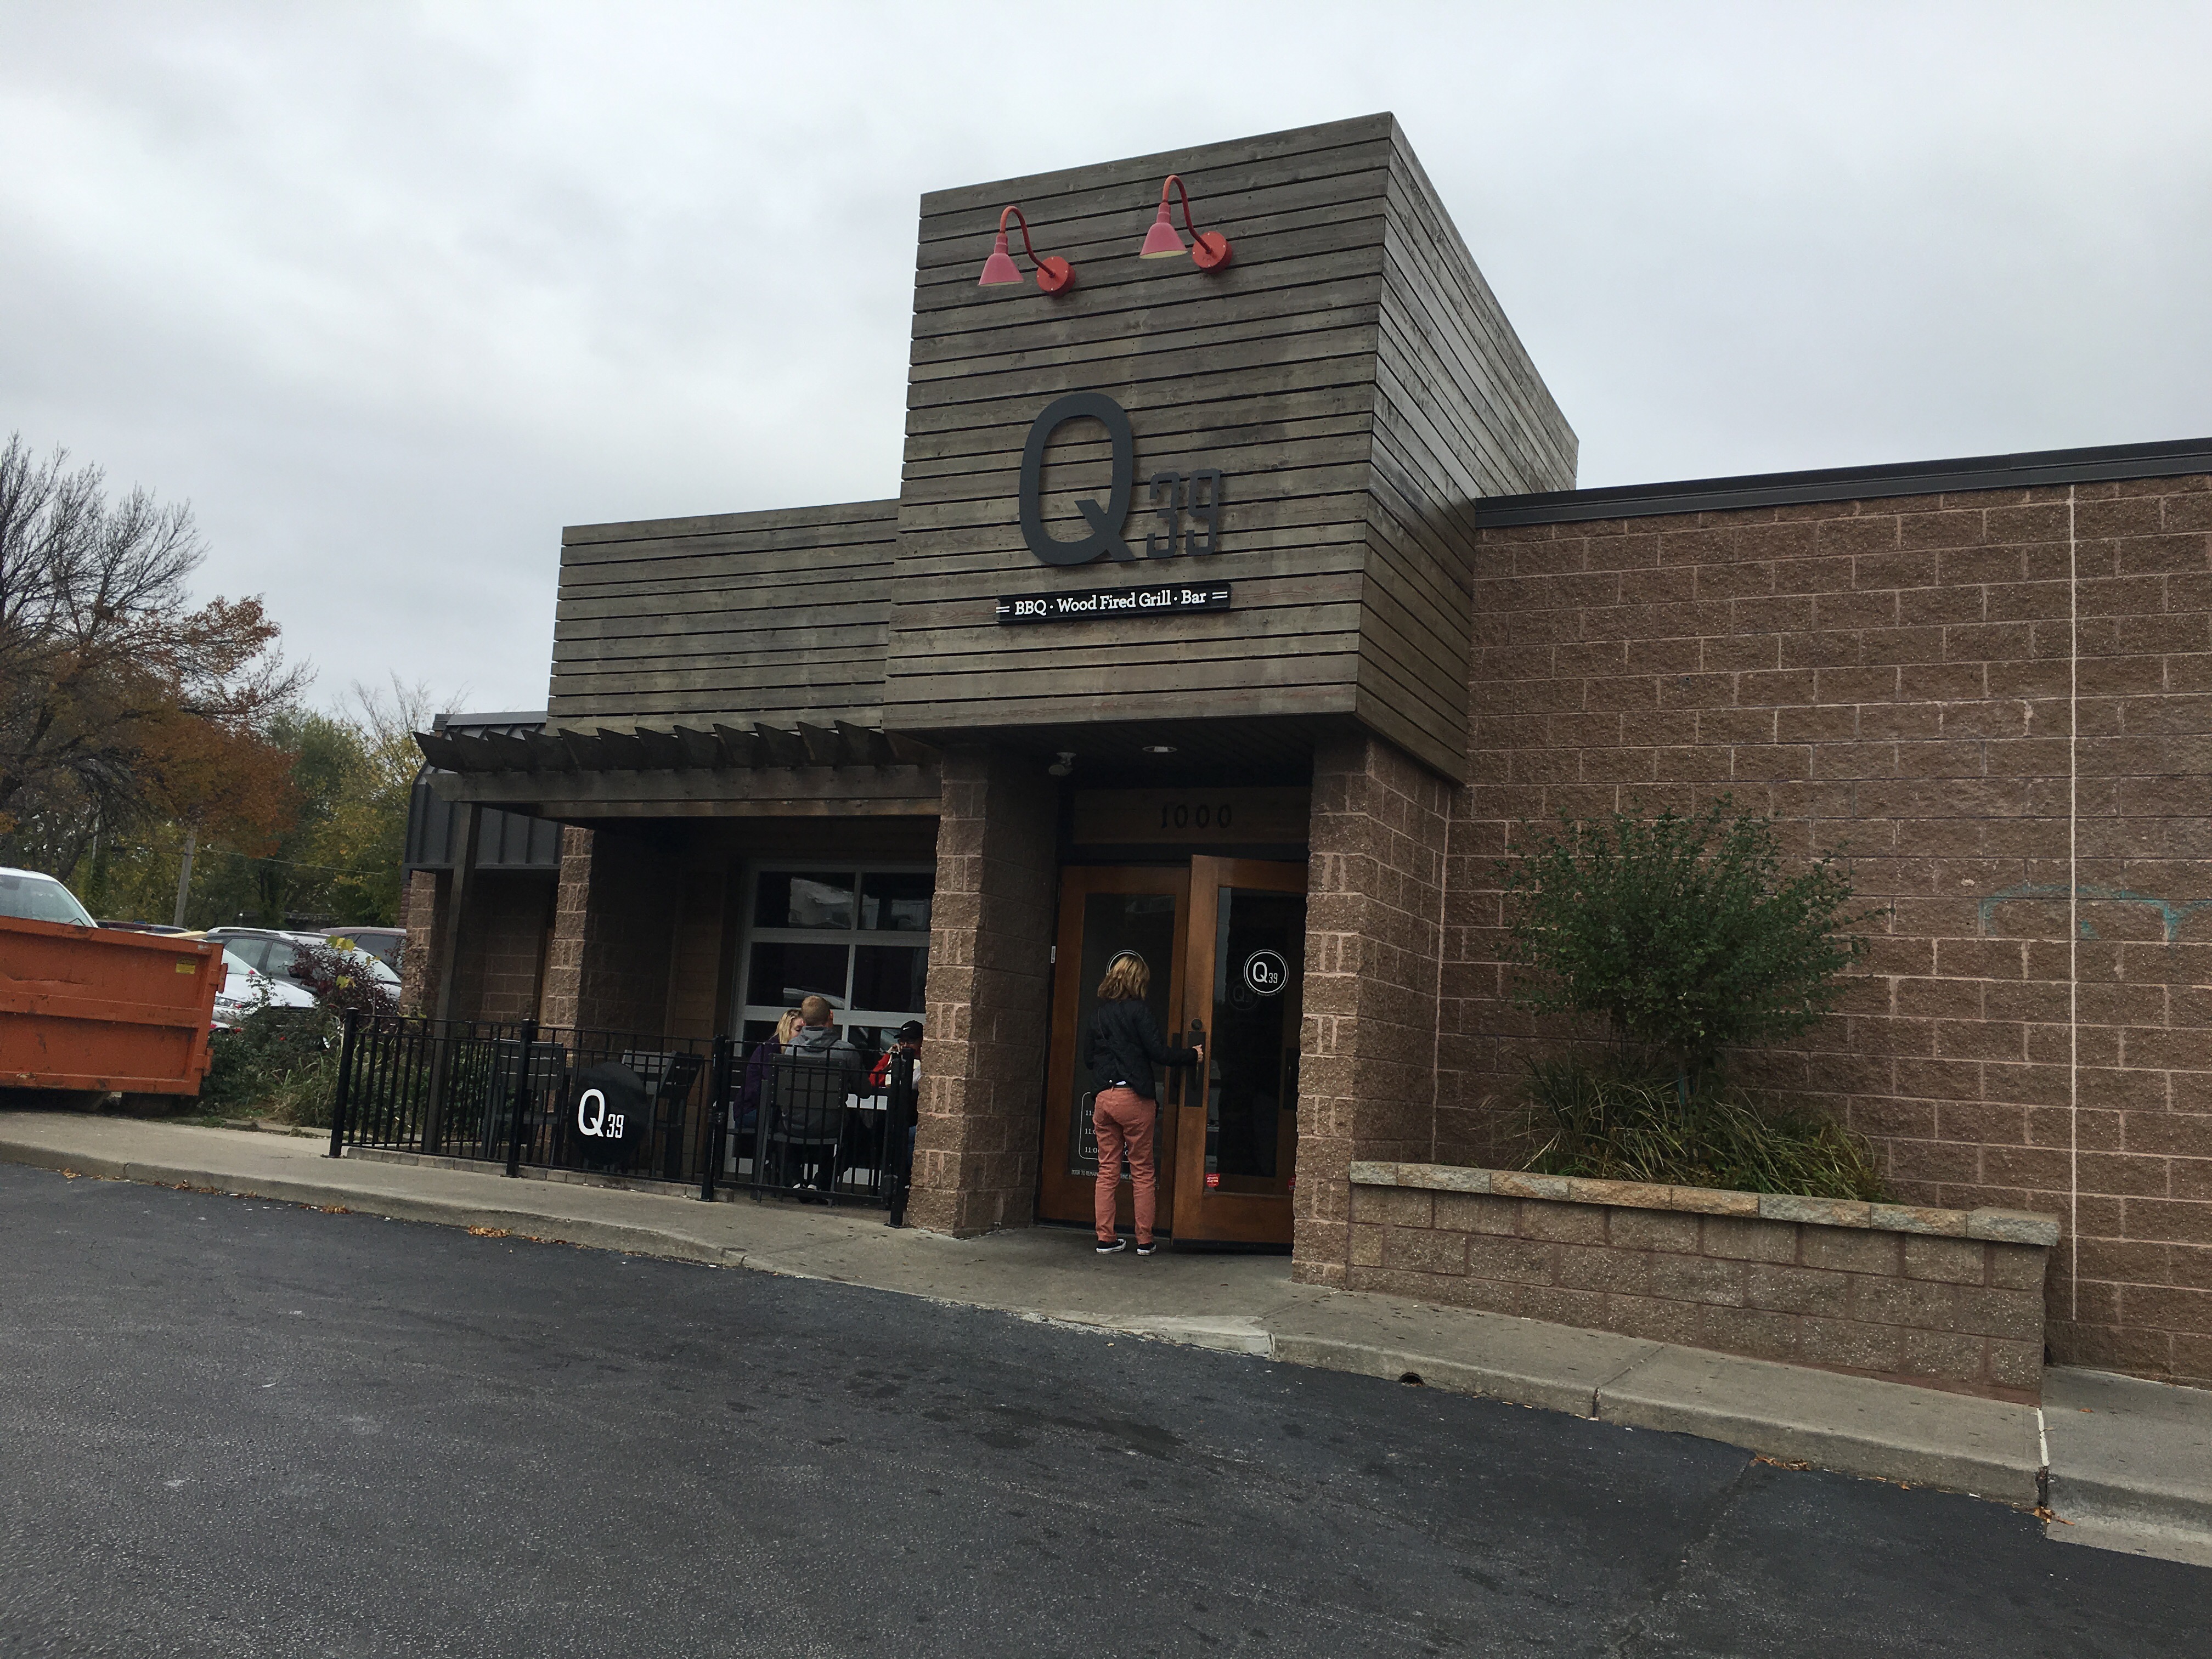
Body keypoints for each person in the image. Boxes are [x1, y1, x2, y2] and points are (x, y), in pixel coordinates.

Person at [1080, 952, 1200, 1256]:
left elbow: (1088, 1059)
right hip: (1133, 1098)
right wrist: (1192, 1055)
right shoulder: (1140, 1012)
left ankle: (1105, 1238)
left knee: (1107, 1170)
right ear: (1139, 981)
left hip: (1104, 1099)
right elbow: (1159, 1053)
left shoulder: (1098, 1015)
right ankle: (1145, 1241)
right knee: (1142, 1170)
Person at [737, 1008, 802, 1143]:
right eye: (798, 1029)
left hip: (770, 1110)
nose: (802, 1035)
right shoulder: (769, 1050)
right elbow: (774, 1086)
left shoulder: (790, 1051)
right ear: (786, 1029)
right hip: (751, 1111)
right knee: (796, 1121)